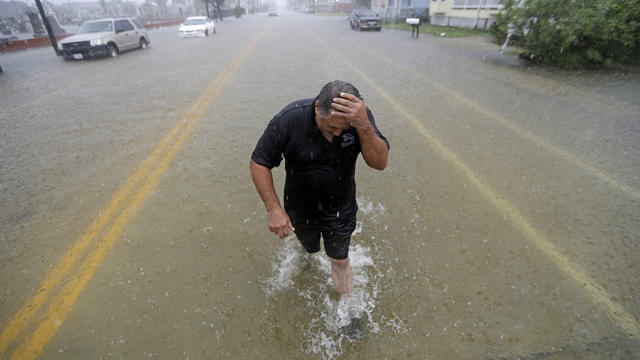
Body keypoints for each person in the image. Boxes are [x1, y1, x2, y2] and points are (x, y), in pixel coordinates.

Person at [250, 81, 389, 333]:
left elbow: (379, 163)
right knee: (309, 248)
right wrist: (274, 209)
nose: (337, 134)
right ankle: (308, 255)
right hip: (299, 205)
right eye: (332, 127)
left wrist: (363, 125)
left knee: (339, 259)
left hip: (340, 205)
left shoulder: (359, 120)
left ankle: (347, 309)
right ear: (317, 109)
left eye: (343, 129)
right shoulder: (290, 119)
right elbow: (259, 162)